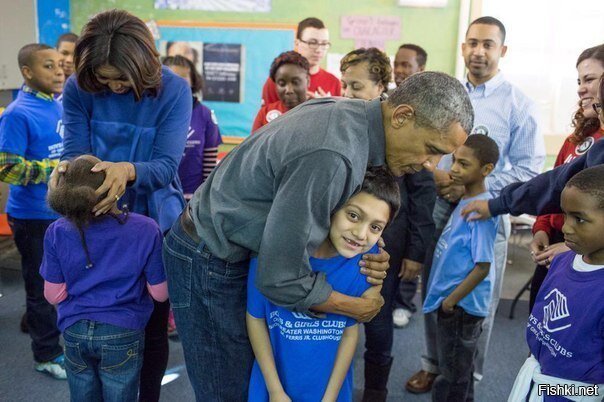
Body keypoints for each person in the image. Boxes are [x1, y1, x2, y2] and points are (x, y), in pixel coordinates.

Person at [163, 70, 474, 401]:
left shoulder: (352, 119)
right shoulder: (333, 153)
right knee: (230, 392)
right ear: (402, 116)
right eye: (430, 148)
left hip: (229, 248)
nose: (431, 164)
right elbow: (280, 279)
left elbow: (316, 212)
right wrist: (353, 308)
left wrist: (367, 249)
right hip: (209, 258)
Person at [56, 9, 192, 402]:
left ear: (144, 65)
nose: (113, 87)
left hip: (150, 222)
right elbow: (74, 154)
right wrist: (69, 174)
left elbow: (166, 167)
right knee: (91, 320)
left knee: (149, 328)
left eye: (122, 79)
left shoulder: (174, 90)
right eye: (104, 79)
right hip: (92, 218)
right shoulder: (78, 88)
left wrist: (129, 170)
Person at [406, 16, 545, 394]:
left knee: (475, 295)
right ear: (463, 48)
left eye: (487, 44)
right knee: (435, 285)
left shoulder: (519, 105)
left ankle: (470, 375)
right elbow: (426, 146)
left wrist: (472, 188)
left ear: (502, 51)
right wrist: (443, 179)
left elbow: (529, 169)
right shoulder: (446, 96)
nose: (478, 51)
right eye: (472, 43)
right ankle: (431, 363)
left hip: (486, 211)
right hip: (439, 205)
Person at [247, 167, 400, 402]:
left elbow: (350, 335)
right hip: (273, 387)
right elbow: (256, 319)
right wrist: (275, 390)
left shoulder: (365, 265)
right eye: (353, 215)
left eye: (375, 227)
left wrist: (329, 398)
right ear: (331, 206)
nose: (361, 234)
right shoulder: (272, 253)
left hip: (329, 391)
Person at [338, 47, 436, 401]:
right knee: (334, 319)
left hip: (385, 249)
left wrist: (415, 253)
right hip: (341, 245)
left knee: (377, 323)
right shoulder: (341, 126)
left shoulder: (403, 131)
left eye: (357, 87)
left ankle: (375, 391)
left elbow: (423, 200)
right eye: (344, 86)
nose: (348, 94)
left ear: (381, 87)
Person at [41, 155, 168, 401]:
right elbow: (160, 293)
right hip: (123, 331)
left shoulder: (56, 230)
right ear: (116, 188)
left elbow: (52, 294)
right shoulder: (147, 228)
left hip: (74, 330)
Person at [508, 165, 604, 402]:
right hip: (537, 383)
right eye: (565, 215)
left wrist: (557, 391)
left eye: (580, 219)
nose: (565, 228)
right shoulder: (561, 260)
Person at [0, 43, 65, 379]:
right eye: (48, 66)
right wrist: (55, 169)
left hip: (59, 214)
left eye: (59, 65)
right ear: (27, 72)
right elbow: (7, 168)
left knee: (60, 285)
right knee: (39, 290)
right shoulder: (17, 113)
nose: (58, 72)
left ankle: (58, 342)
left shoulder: (61, 104)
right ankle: (46, 354)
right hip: (31, 217)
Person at [461, 73, 604, 220]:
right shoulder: (591, 148)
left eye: (600, 106)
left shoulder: (518, 103)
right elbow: (555, 184)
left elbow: (551, 182)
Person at [423, 134, 500, 402]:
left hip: (461, 308)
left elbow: (482, 266)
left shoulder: (480, 211)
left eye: (463, 164)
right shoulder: (465, 200)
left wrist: (450, 302)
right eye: (454, 161)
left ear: (486, 170)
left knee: (451, 377)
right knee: (458, 372)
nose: (453, 169)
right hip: (455, 304)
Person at [528, 44, 604, 310]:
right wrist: (541, 229)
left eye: (590, 79)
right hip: (555, 251)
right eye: (579, 81)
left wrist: (576, 248)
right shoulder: (576, 139)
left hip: (589, 258)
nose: (581, 88)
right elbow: (553, 189)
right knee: (540, 325)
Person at [389, 42, 430, 328]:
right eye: (397, 64)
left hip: (409, 209)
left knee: (405, 263)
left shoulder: (425, 113)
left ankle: (404, 302)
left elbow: (423, 194)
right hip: (386, 212)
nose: (400, 71)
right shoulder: (388, 104)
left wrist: (416, 254)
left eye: (407, 65)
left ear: (421, 70)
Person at [163, 55, 222, 200]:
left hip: (194, 198)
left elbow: (209, 164)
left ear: (193, 82)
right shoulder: (155, 113)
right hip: (161, 196)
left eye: (183, 79)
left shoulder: (205, 115)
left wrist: (205, 197)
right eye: (172, 79)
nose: (177, 85)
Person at [261, 17, 340, 105]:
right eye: (312, 43)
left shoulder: (334, 82)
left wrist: (326, 107)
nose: (319, 50)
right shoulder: (278, 81)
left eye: (324, 44)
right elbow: (269, 116)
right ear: (297, 43)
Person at [252, 51, 309, 132]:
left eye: (295, 82)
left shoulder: (319, 113)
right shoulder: (265, 114)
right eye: (282, 84)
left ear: (308, 81)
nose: (289, 90)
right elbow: (254, 144)